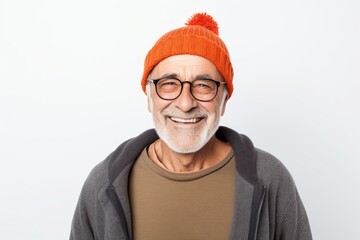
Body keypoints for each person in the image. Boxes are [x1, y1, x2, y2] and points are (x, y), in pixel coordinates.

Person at [70, 13, 312, 240]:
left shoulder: (270, 178)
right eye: (169, 84)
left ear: (224, 100)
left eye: (203, 86)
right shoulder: (104, 183)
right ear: (149, 97)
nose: (185, 103)